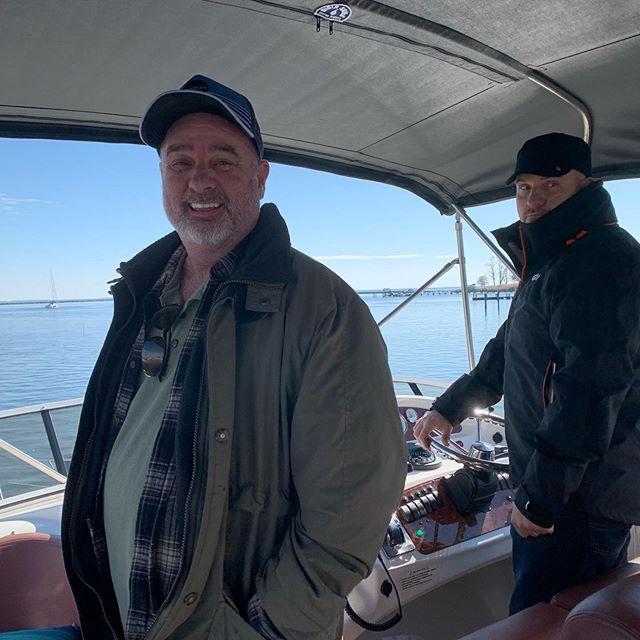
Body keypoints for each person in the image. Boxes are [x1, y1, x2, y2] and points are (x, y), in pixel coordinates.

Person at [60, 75, 407, 640]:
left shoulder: (326, 310)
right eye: (179, 162)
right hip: (125, 617)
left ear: (261, 177)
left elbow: (350, 511)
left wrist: (265, 629)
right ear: (163, 179)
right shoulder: (142, 292)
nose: (199, 179)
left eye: (223, 160)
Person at [414, 132, 640, 614]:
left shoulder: (602, 260)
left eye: (551, 186)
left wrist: (541, 497)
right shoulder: (553, 258)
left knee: (549, 621)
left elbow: (590, 390)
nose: (532, 200)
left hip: (580, 500)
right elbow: (508, 351)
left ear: (586, 186)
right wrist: (450, 407)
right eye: (523, 186)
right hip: (557, 488)